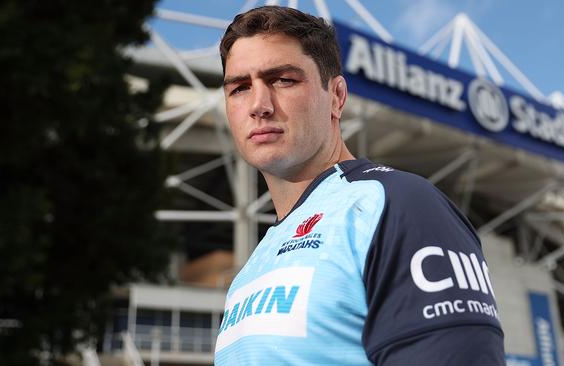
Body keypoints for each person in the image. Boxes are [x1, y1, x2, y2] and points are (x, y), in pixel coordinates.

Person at [214, 6, 505, 365]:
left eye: (283, 80)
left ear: (336, 96)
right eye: (240, 88)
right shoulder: (253, 266)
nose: (259, 105)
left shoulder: (396, 205)